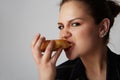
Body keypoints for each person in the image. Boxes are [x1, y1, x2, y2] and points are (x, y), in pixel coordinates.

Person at [31, 0, 120, 80]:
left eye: (75, 24)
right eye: (61, 27)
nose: (64, 34)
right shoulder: (58, 76)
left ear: (102, 28)